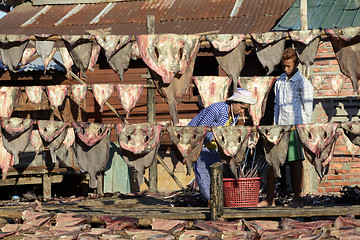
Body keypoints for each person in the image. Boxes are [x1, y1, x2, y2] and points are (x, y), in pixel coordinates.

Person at [258, 47, 314, 207]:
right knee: (272, 161)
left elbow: (308, 107)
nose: (286, 68)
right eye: (284, 66)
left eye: (289, 66)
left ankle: (297, 198)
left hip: (295, 128)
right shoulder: (280, 81)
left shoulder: (303, 82)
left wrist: (303, 128)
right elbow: (276, 106)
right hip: (279, 128)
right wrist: (275, 126)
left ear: (296, 64)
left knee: (296, 161)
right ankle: (270, 199)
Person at [187, 88, 256, 202]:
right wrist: (216, 137)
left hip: (213, 147)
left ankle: (215, 200)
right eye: (241, 107)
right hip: (198, 143)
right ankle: (211, 201)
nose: (242, 111)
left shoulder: (235, 114)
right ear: (234, 102)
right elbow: (202, 127)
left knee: (215, 173)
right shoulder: (216, 109)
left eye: (245, 109)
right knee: (203, 172)